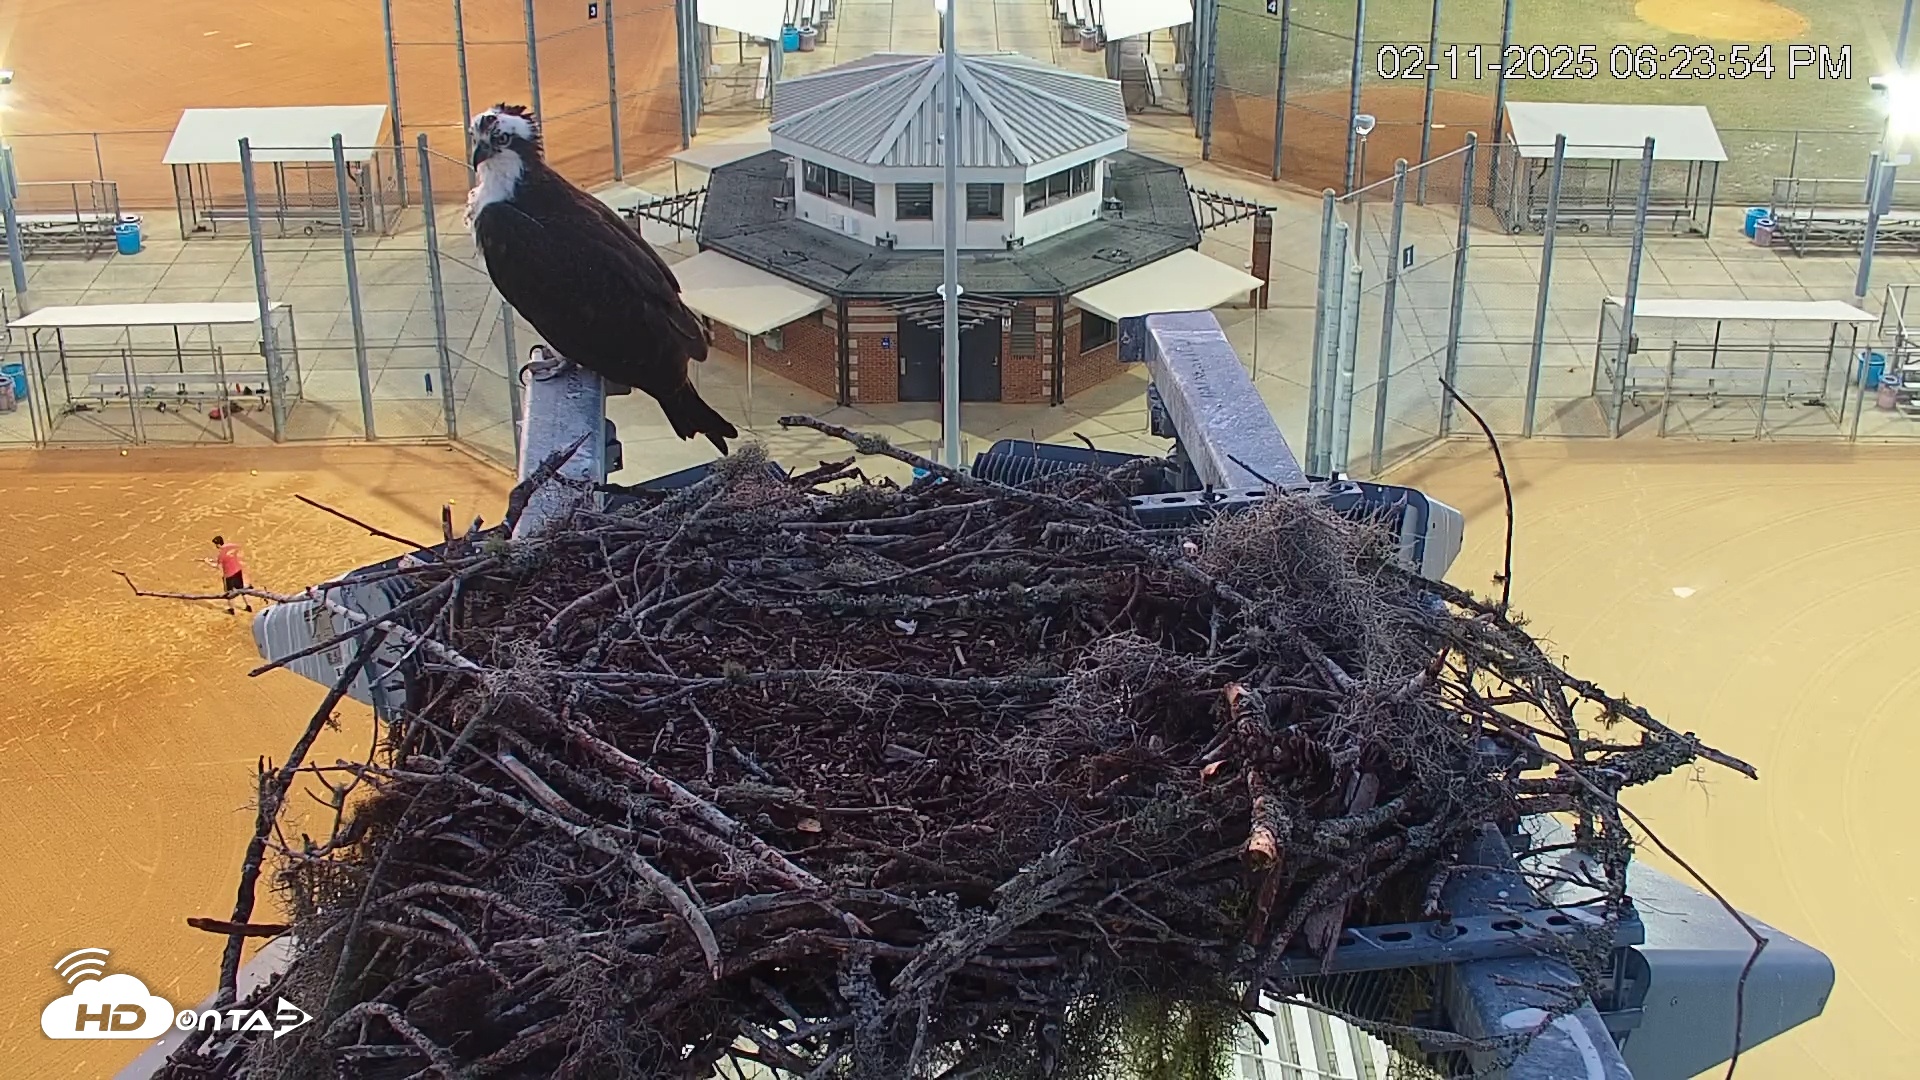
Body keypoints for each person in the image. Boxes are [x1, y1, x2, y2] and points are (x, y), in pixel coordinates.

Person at [209, 535, 254, 616]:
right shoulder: (232, 546)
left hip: (229, 575)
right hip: (238, 571)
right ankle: (248, 606)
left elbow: (218, 567)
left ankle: (231, 609)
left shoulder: (221, 554)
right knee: (241, 589)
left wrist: (207, 562)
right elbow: (235, 551)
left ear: (218, 544)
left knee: (229, 593)